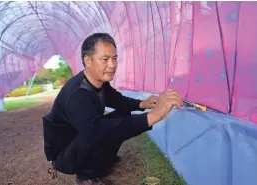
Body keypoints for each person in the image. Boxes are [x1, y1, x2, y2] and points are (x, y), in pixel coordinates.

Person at [42, 33, 183, 185]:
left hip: (80, 138)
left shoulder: (99, 82)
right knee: (98, 131)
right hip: (64, 154)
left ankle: (101, 162)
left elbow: (117, 100)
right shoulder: (77, 94)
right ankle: (86, 175)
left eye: (114, 58)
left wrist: (143, 104)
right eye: (105, 59)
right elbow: (94, 131)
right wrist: (153, 116)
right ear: (87, 61)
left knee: (122, 115)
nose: (112, 65)